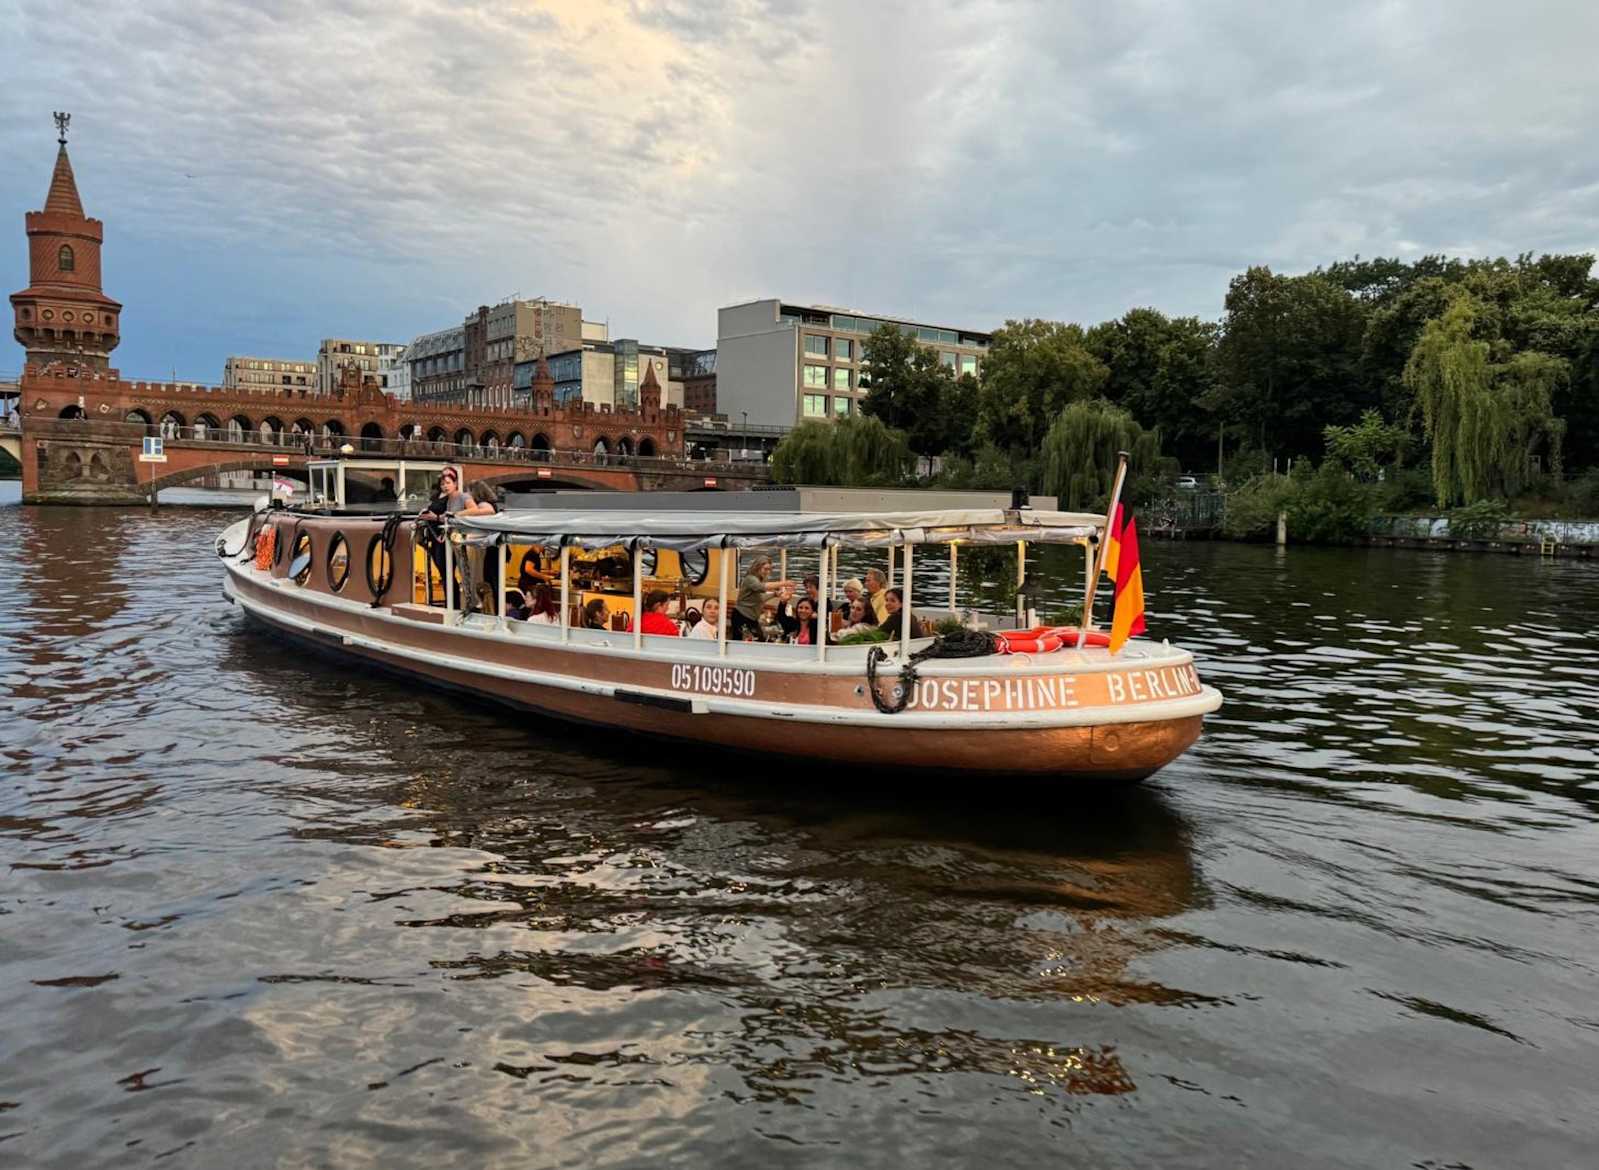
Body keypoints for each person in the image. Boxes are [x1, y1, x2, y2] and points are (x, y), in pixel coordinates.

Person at [418, 467, 467, 606]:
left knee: (447, 572)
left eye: (448, 481)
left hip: (445, 538)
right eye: (443, 482)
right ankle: (450, 603)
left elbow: (453, 516)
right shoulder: (437, 496)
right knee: (443, 573)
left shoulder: (455, 497)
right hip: (435, 538)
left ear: (455, 482)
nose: (445, 485)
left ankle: (453, 604)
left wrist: (436, 517)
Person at [731, 556, 790, 641]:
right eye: (765, 569)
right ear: (757, 567)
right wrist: (784, 583)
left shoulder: (759, 580)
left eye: (769, 569)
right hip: (741, 616)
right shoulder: (750, 579)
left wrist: (774, 594)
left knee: (760, 640)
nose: (768, 572)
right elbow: (761, 587)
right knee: (743, 642)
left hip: (752, 618)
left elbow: (760, 598)